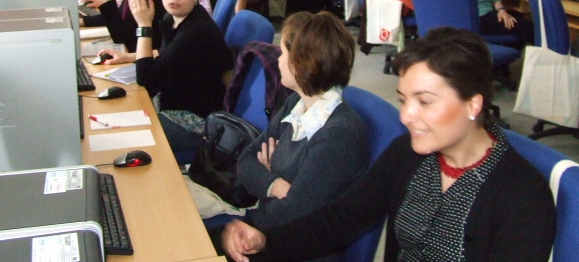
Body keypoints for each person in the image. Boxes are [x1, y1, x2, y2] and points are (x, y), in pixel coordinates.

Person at [220, 27, 556, 262]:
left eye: (424, 102)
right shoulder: (408, 154)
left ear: (473, 104)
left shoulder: (523, 196)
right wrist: (265, 241)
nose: (406, 116)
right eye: (403, 100)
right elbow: (340, 220)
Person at [210, 11, 369, 262]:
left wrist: (266, 181)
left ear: (302, 62)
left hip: (297, 248)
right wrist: (277, 185)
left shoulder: (340, 133)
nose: (278, 59)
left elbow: (296, 213)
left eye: (283, 52)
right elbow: (246, 161)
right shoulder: (296, 104)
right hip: (268, 229)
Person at [130, 0, 232, 154]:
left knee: (130, 136)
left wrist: (143, 26)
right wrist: (128, 57)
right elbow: (167, 56)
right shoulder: (174, 18)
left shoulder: (195, 31)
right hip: (174, 102)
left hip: (194, 121)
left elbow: (146, 79)